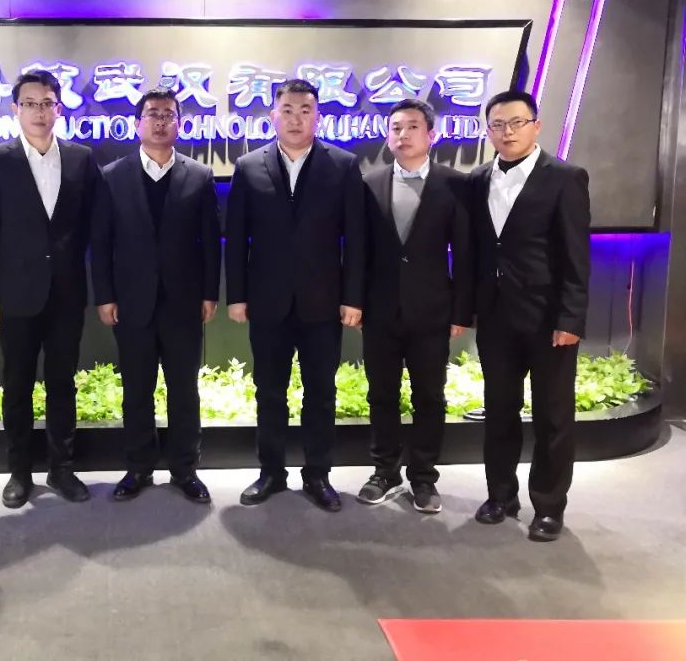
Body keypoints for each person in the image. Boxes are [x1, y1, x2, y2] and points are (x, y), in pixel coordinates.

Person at [225, 78, 365, 511]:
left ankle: (317, 474)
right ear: (273, 115)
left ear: (317, 117)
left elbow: (356, 239)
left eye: (305, 110)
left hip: (322, 302)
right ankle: (271, 472)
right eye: (287, 110)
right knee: (269, 391)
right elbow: (237, 236)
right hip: (267, 302)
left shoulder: (343, 165)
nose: (296, 118)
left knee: (320, 391)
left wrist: (353, 297)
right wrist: (237, 296)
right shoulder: (249, 166)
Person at [0, 70, 101, 508]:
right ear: (15, 109)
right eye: (30, 103)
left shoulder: (82, 159)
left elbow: (95, 227)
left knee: (62, 383)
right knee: (18, 384)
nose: (39, 112)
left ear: (58, 109)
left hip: (66, 291)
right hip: (16, 292)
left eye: (47, 103)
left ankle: (61, 468)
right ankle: (20, 471)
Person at [470, 89, 590, 542]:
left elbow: (576, 256)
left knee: (553, 416)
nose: (507, 132)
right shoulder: (477, 179)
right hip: (496, 318)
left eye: (517, 123)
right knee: (499, 410)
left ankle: (549, 505)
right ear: (488, 131)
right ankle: (501, 495)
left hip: (548, 321)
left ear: (536, 126)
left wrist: (570, 319)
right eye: (498, 125)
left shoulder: (565, 177)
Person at [92, 87, 221, 504]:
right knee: (137, 389)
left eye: (168, 115)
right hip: (132, 302)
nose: (161, 121)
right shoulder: (112, 176)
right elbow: (102, 241)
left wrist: (209, 293)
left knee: (184, 389)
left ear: (179, 124)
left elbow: (210, 242)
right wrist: (105, 296)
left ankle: (185, 469)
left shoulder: (198, 175)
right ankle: (138, 467)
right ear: (137, 124)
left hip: (183, 302)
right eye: (152, 114)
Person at [358, 99, 473, 514]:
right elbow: (359, 250)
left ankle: (423, 476)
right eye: (395, 128)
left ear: (431, 135)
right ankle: (384, 471)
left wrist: (461, 311)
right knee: (381, 394)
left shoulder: (455, 184)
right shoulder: (369, 182)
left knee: (429, 396)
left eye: (411, 127)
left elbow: (466, 253)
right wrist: (355, 301)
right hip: (380, 310)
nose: (402, 135)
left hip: (432, 310)